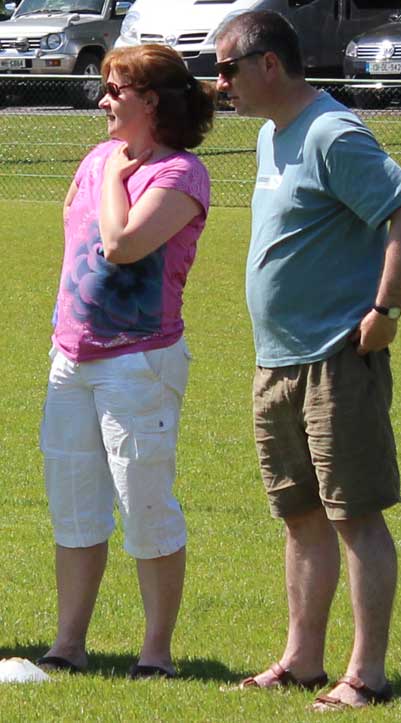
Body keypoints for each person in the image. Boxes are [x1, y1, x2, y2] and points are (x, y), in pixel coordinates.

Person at [215, 10, 401, 711]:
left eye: (227, 70)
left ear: (268, 64)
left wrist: (386, 311)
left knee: (354, 515)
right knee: (301, 514)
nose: (221, 85)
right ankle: (302, 660)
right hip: (276, 360)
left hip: (338, 357)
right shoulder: (269, 137)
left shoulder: (333, 132)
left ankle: (366, 673)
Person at [38, 44, 215, 678]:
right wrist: (104, 171)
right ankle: (68, 646)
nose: (104, 100)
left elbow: (122, 243)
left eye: (117, 90)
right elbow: (70, 219)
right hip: (72, 361)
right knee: (75, 506)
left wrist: (115, 177)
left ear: (153, 102)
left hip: (139, 365)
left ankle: (156, 654)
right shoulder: (94, 159)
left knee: (145, 506)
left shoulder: (180, 174)